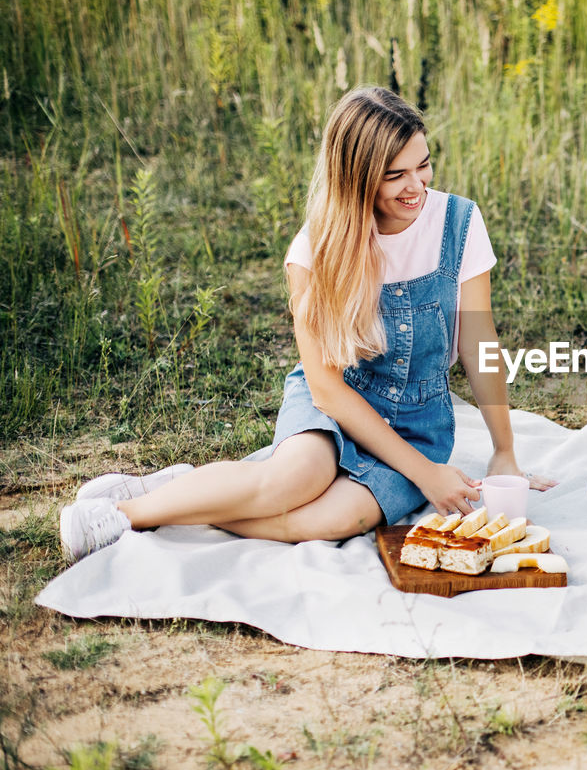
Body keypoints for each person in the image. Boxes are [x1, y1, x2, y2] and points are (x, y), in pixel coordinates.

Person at [60, 86, 553, 562]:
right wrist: (426, 476)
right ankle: (126, 514)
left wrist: (504, 451)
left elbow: (478, 341)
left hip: (418, 423)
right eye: (395, 175)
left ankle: (189, 491)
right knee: (290, 484)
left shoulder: (460, 222)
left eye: (423, 164)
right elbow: (326, 389)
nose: (417, 185)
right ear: (356, 178)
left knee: (332, 521)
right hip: (337, 404)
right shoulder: (315, 250)